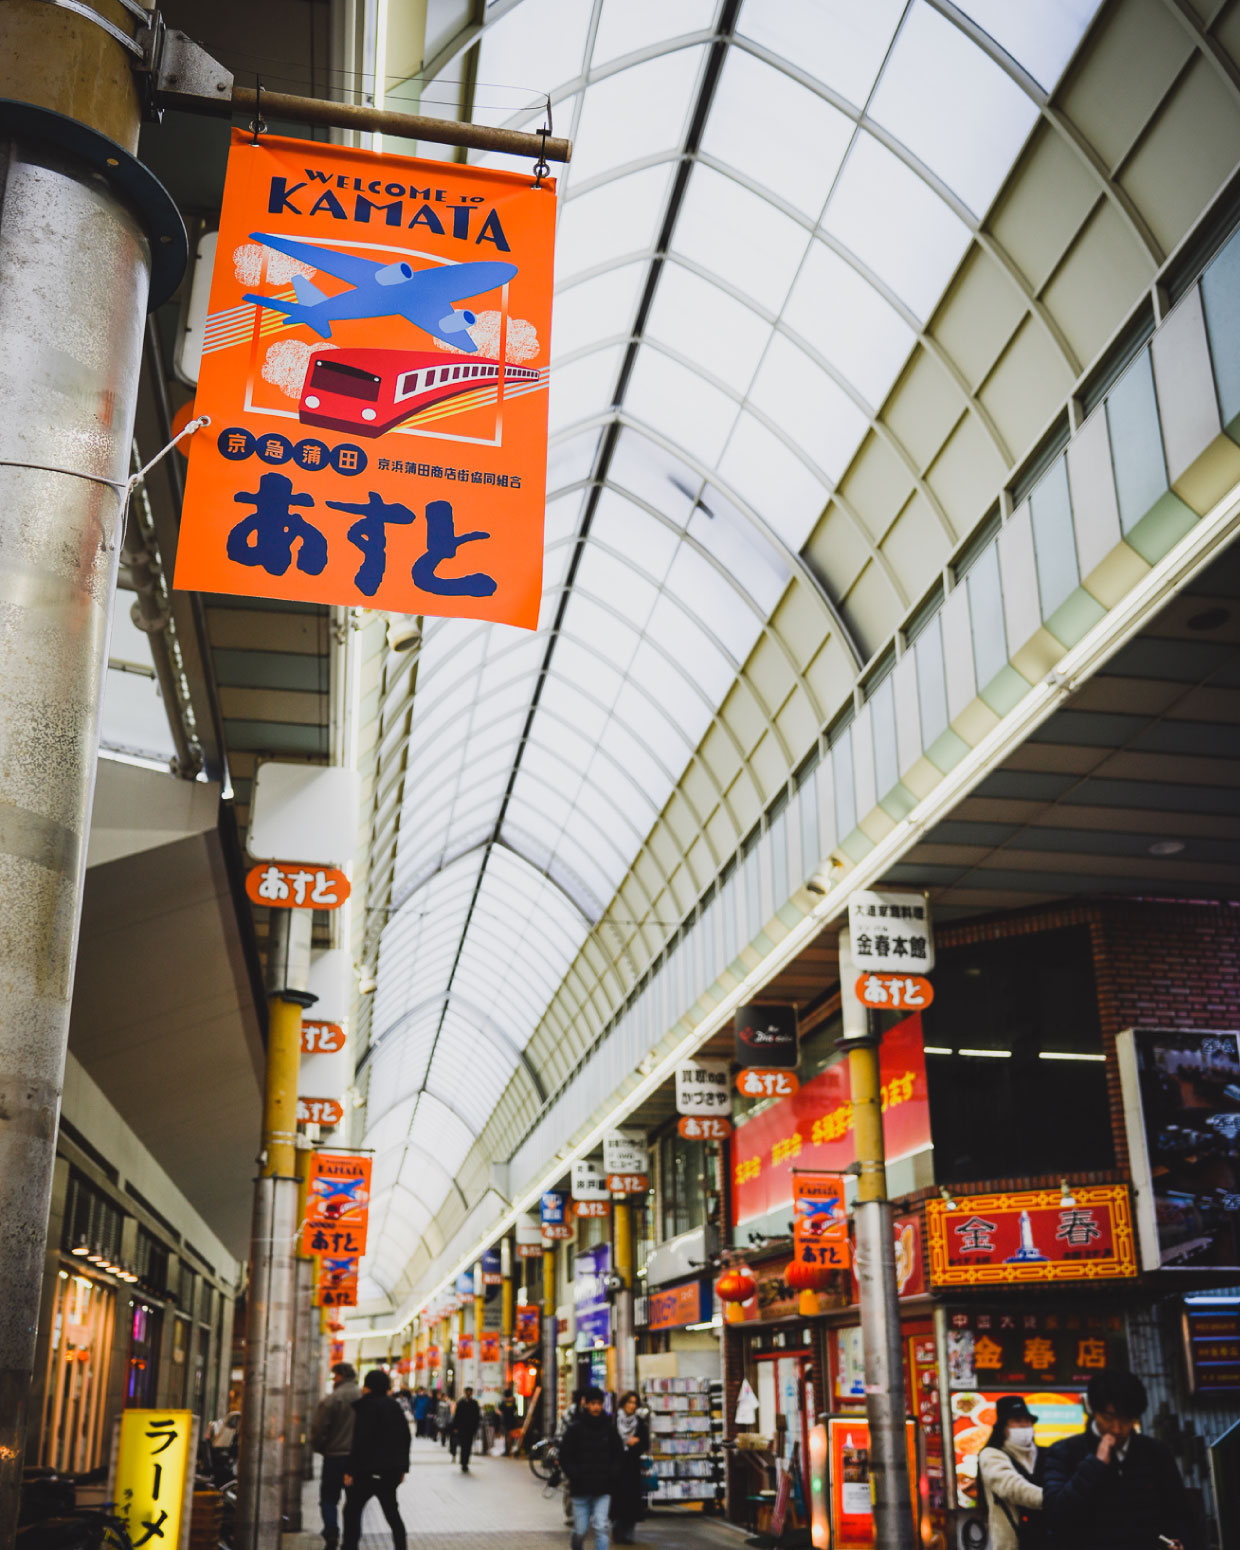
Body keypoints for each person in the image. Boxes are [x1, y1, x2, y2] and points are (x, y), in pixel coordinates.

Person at [1043, 1369, 1193, 1550]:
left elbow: (1179, 1513)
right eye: (1108, 1418)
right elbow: (1056, 1514)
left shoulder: (1156, 1453)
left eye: (1126, 1419)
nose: (1117, 1428)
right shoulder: (1064, 1452)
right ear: (1092, 1407)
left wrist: (1180, 1540)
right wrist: (1094, 1465)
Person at [342, 1369, 411, 1550]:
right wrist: (403, 1468)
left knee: (351, 1512)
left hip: (365, 1472)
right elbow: (405, 1438)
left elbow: (359, 1441)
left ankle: (350, 1546)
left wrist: (350, 1470)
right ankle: (401, 1547)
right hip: (389, 1472)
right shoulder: (394, 1407)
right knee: (392, 1515)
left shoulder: (363, 1407)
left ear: (368, 1387)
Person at [559, 1386, 624, 1550]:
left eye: (599, 1403)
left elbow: (618, 1453)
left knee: (601, 1527)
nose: (596, 1407)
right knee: (580, 1529)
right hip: (581, 1488)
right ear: (586, 1404)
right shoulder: (575, 1428)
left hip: (603, 1487)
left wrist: (612, 1475)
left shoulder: (609, 1428)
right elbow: (565, 1456)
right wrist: (575, 1475)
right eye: (593, 1403)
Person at [977, 1396, 1044, 1550]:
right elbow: (1012, 1488)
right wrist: (1053, 1499)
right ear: (1003, 1428)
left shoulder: (1044, 1454)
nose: (1024, 1426)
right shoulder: (991, 1455)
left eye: (1028, 1422)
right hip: (1013, 1544)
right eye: (1017, 1421)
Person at [311, 1362, 361, 1550]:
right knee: (355, 1501)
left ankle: (331, 1530)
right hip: (356, 1459)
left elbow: (318, 1429)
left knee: (329, 1498)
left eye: (334, 1376)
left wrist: (321, 1447)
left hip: (334, 1457)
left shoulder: (332, 1399)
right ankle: (352, 1539)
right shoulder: (362, 1397)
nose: (333, 1380)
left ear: (340, 1375)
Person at [610, 1390, 649, 1545]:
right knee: (618, 1501)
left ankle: (628, 1534)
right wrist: (624, 1443)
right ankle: (617, 1531)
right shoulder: (613, 1421)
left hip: (632, 1468)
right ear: (623, 1403)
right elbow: (609, 1443)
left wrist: (636, 1444)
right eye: (629, 1402)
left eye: (634, 1403)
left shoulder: (640, 1423)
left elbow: (645, 1444)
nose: (632, 1406)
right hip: (617, 1468)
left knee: (632, 1502)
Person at [453, 1385, 482, 1472]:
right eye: (467, 1392)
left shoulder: (474, 1403)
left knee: (468, 1446)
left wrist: (476, 1427)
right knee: (463, 1445)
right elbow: (457, 1415)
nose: (469, 1393)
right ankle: (463, 1462)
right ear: (465, 1393)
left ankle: (466, 1461)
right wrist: (455, 1427)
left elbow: (477, 1416)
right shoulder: (461, 1403)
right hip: (462, 1428)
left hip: (470, 1428)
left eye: (470, 1392)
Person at [497, 1389, 519, 1456]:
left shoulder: (503, 1402)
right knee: (511, 1436)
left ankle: (507, 1450)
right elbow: (516, 1409)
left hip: (505, 1421)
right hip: (512, 1421)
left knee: (507, 1436)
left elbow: (499, 1410)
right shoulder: (512, 1402)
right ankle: (510, 1449)